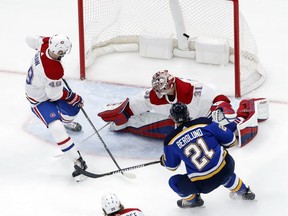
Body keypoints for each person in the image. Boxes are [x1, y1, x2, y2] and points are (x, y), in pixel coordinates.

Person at [98, 70, 269, 143]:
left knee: (227, 129)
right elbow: (141, 100)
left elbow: (214, 93)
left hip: (205, 118)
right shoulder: (157, 93)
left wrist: (222, 104)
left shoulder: (192, 89)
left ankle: (246, 110)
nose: (161, 93)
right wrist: (126, 113)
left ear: (171, 84)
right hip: (182, 122)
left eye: (164, 89)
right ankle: (127, 126)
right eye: (159, 90)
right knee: (169, 129)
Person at [159, 102, 255, 208]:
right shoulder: (204, 123)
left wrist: (164, 160)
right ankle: (244, 191)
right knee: (220, 166)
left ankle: (193, 201)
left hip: (203, 184)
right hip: (227, 168)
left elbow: (172, 166)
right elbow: (231, 141)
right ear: (188, 113)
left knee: (174, 182)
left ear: (172, 118)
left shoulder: (170, 141)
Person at [25, 34, 87, 182]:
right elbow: (54, 95)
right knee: (57, 128)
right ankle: (78, 162)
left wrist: (39, 45)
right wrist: (72, 96)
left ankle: (67, 122)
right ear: (60, 52)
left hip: (46, 88)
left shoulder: (45, 43)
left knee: (73, 110)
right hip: (39, 99)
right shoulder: (54, 70)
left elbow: (29, 39)